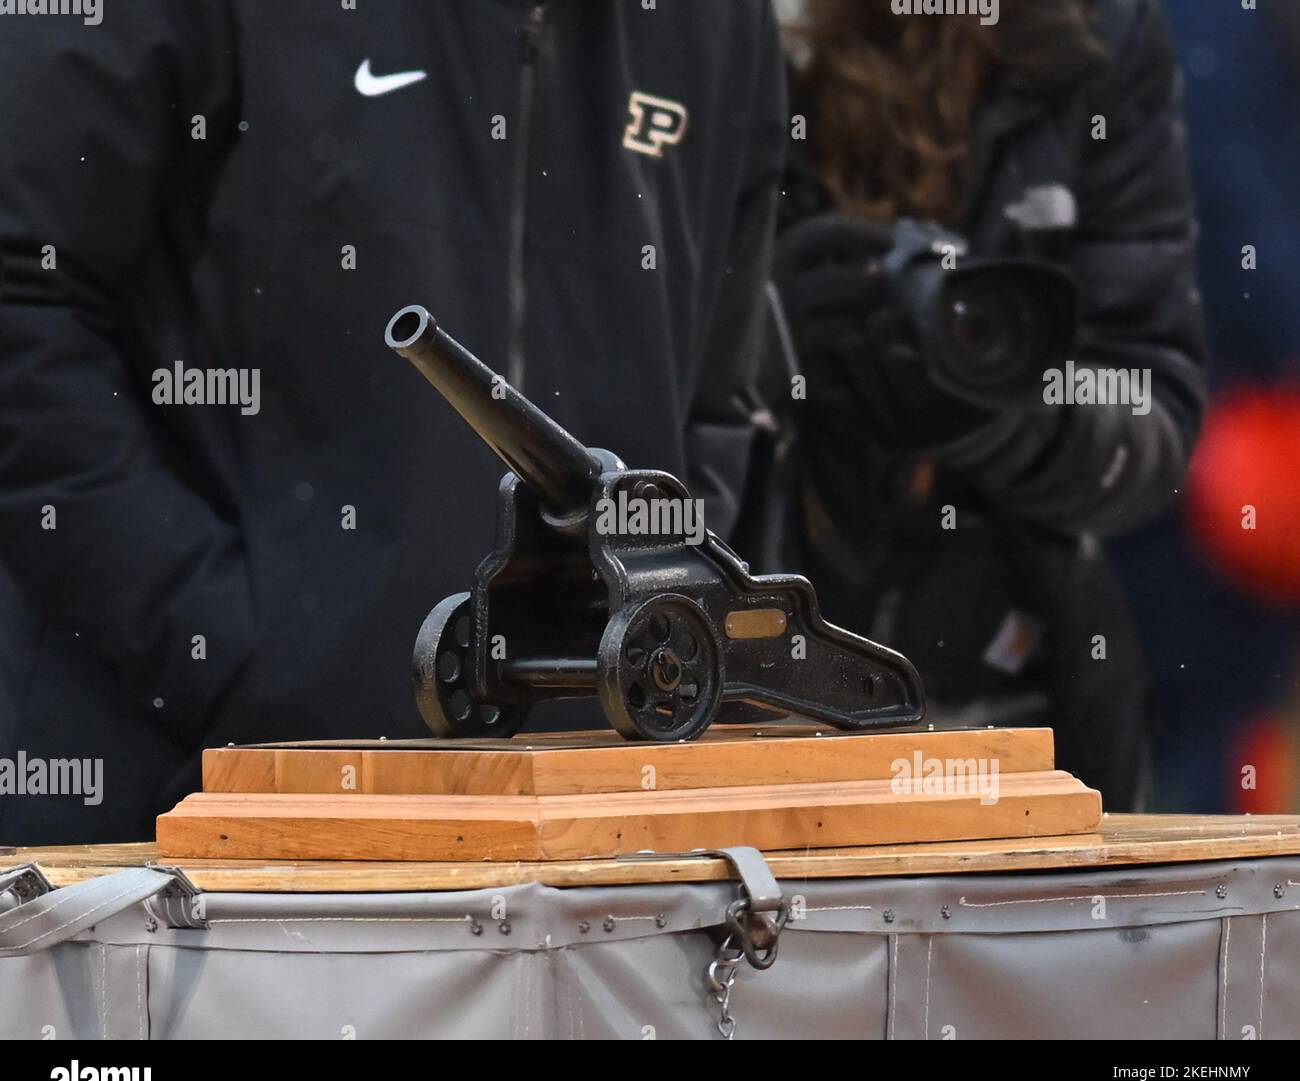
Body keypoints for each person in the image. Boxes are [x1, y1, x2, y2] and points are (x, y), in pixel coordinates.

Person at [0, 0, 786, 844]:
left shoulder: (721, 23)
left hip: (589, 832)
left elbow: (716, 393)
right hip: (186, 822)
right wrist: (225, 649)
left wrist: (658, 617)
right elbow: (25, 294)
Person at [764, 0, 1207, 808]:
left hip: (1018, 716)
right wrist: (758, 344)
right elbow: (602, 369)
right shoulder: (695, 32)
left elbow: (1152, 419)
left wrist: (992, 407)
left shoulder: (1089, 38)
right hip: (729, 703)